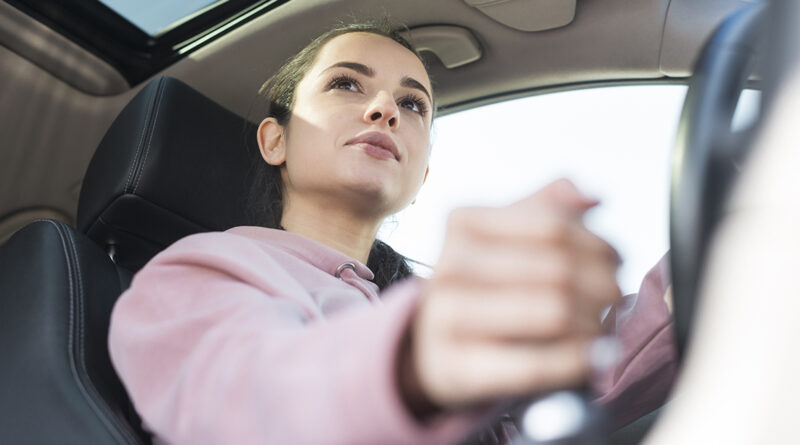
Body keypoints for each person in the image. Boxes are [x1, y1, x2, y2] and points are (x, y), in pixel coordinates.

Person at [108, 21, 675, 444]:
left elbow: (595, 371)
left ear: (421, 175)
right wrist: (415, 361)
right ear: (274, 140)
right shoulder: (198, 271)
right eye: (346, 86)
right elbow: (249, 398)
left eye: (412, 103)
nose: (385, 109)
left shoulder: (418, 298)